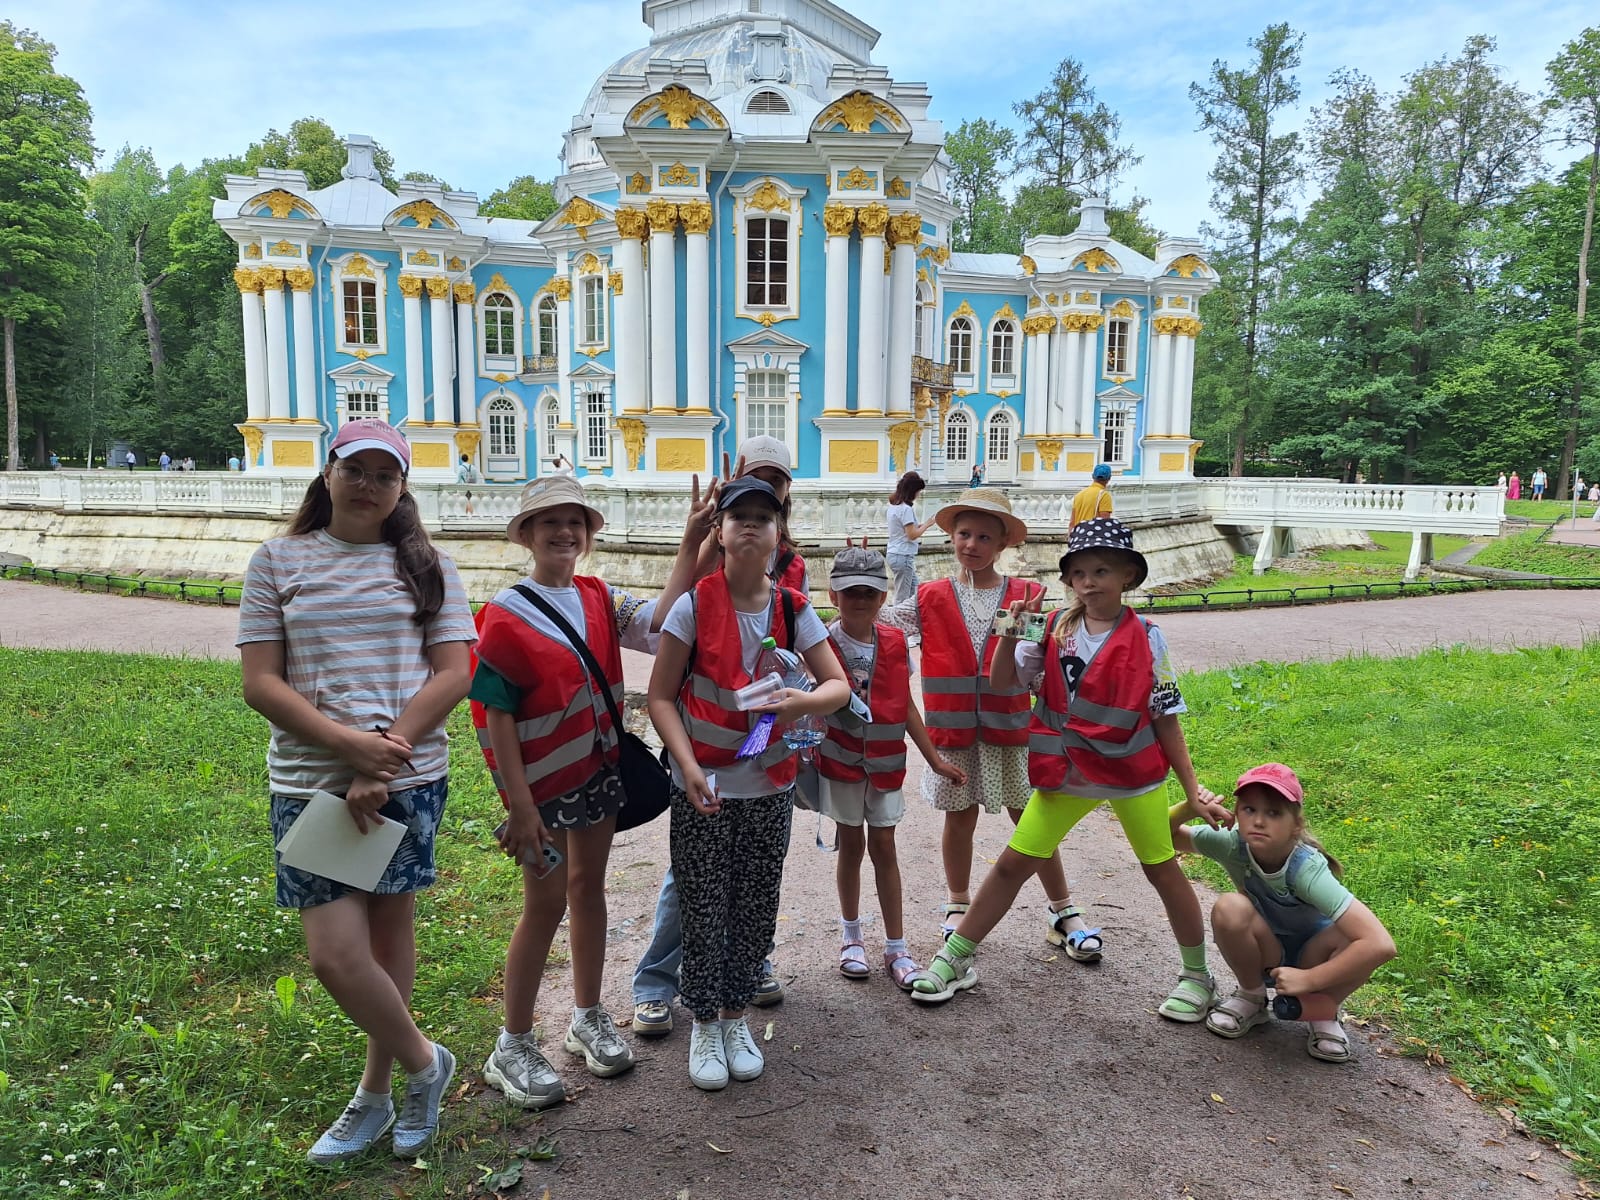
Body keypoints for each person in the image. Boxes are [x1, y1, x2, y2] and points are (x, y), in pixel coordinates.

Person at [237, 418, 474, 1162]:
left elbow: (454, 672)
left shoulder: (427, 565)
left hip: (407, 778)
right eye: (356, 470)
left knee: (386, 934)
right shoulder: (278, 560)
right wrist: (352, 752)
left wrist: (383, 760)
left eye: (386, 475)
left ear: (403, 487)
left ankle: (376, 1091)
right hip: (312, 781)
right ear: (328, 473)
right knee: (336, 956)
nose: (369, 486)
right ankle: (425, 1062)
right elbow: (261, 682)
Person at [914, 518, 1220, 1023]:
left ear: (1129, 576)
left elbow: (1166, 716)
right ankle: (955, 959)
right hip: (1069, 771)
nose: (1089, 581)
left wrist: (1192, 790)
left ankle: (1196, 976)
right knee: (1015, 862)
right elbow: (1005, 680)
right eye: (1079, 572)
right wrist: (1012, 630)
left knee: (1161, 869)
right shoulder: (1052, 624)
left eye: (1102, 570)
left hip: (1131, 774)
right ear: (1068, 580)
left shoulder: (1148, 635)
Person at [470, 474, 712, 1110]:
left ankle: (586, 1013)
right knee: (544, 904)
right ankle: (513, 1042)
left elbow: (661, 624)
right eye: (549, 521)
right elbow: (494, 711)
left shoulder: (599, 596)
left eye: (576, 521)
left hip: (594, 776)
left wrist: (691, 542)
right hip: (537, 790)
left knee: (587, 891)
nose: (564, 531)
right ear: (525, 534)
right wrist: (518, 807)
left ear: (588, 534)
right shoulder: (506, 610)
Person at [647, 477, 851, 1090]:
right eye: (740, 517)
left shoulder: (792, 608)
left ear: (779, 533)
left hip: (769, 784)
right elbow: (660, 696)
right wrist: (684, 767)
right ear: (722, 531)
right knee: (703, 904)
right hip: (706, 783)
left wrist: (801, 703)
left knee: (756, 903)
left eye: (765, 517)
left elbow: (838, 686)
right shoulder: (693, 604)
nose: (752, 526)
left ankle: (736, 1016)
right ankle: (704, 1022)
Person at [631, 437, 806, 1035]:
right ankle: (660, 984)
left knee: (753, 880)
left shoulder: (790, 573)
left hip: (763, 751)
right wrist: (695, 541)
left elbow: (807, 656)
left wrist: (799, 701)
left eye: (773, 484)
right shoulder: (716, 543)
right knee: (695, 880)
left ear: (784, 499)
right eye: (750, 485)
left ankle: (742, 974)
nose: (755, 517)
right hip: (705, 751)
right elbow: (664, 632)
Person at [881, 488, 1081, 950]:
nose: (971, 545)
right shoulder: (929, 597)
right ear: (951, 537)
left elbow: (1032, 671)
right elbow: (882, 626)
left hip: (1009, 730)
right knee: (959, 817)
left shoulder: (1025, 597)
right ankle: (957, 902)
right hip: (952, 733)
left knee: (1031, 820)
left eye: (984, 537)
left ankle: (1063, 907)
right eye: (964, 534)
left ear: (1003, 544)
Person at [1169, 763, 1396, 1063]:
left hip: (1316, 957)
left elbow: (1382, 945)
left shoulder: (1307, 869)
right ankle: (1252, 996)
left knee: (1352, 934)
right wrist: (1190, 807)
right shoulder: (1232, 843)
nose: (1259, 821)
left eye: (1274, 813)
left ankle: (1324, 1010)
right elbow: (1160, 837)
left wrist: (1312, 979)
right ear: (1236, 813)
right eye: (1249, 809)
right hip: (1268, 951)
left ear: (1296, 824)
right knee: (1229, 907)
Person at [818, 543, 966, 989]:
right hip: (842, 765)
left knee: (885, 847)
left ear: (882, 597)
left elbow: (904, 706)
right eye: (850, 592)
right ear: (833, 595)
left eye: (868, 592)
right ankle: (851, 938)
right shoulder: (821, 642)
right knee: (851, 846)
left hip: (885, 765)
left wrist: (934, 759)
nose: (859, 600)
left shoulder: (897, 642)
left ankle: (897, 946)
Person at [885, 471, 935, 605]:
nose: (919, 495)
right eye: (918, 491)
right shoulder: (906, 509)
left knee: (915, 592)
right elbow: (912, 535)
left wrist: (921, 525)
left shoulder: (894, 506)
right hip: (903, 555)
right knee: (902, 597)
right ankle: (897, 622)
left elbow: (905, 529)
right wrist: (927, 525)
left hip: (895, 553)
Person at [1070, 464, 1115, 530]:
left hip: (1078, 536)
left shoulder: (1079, 495)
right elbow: (1105, 523)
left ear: (1092, 476)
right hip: (1093, 537)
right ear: (1109, 478)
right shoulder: (1104, 495)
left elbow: (1072, 523)